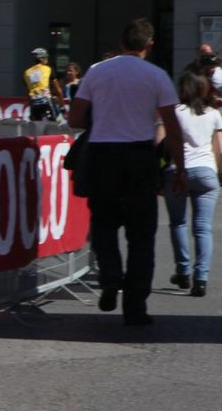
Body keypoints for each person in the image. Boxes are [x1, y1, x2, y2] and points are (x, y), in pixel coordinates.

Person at [67, 18, 184, 327]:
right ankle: (135, 307)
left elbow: (75, 117)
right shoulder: (157, 75)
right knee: (142, 235)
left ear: (121, 43)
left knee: (104, 225)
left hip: (104, 156)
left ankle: (109, 277)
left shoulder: (97, 71)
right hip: (140, 157)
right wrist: (180, 169)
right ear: (149, 45)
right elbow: (172, 128)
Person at [162, 72, 222, 298]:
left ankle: (183, 271)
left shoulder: (174, 112)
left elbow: (160, 141)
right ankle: (201, 279)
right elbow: (221, 150)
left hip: (177, 171)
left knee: (178, 223)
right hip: (206, 171)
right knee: (203, 228)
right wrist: (220, 173)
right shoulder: (214, 114)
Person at [24, 47, 63, 120]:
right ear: (42, 58)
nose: (47, 60)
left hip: (34, 102)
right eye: (46, 58)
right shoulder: (48, 69)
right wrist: (62, 106)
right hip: (46, 100)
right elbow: (58, 90)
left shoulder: (26, 72)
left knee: (36, 126)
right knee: (57, 122)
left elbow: (28, 92)